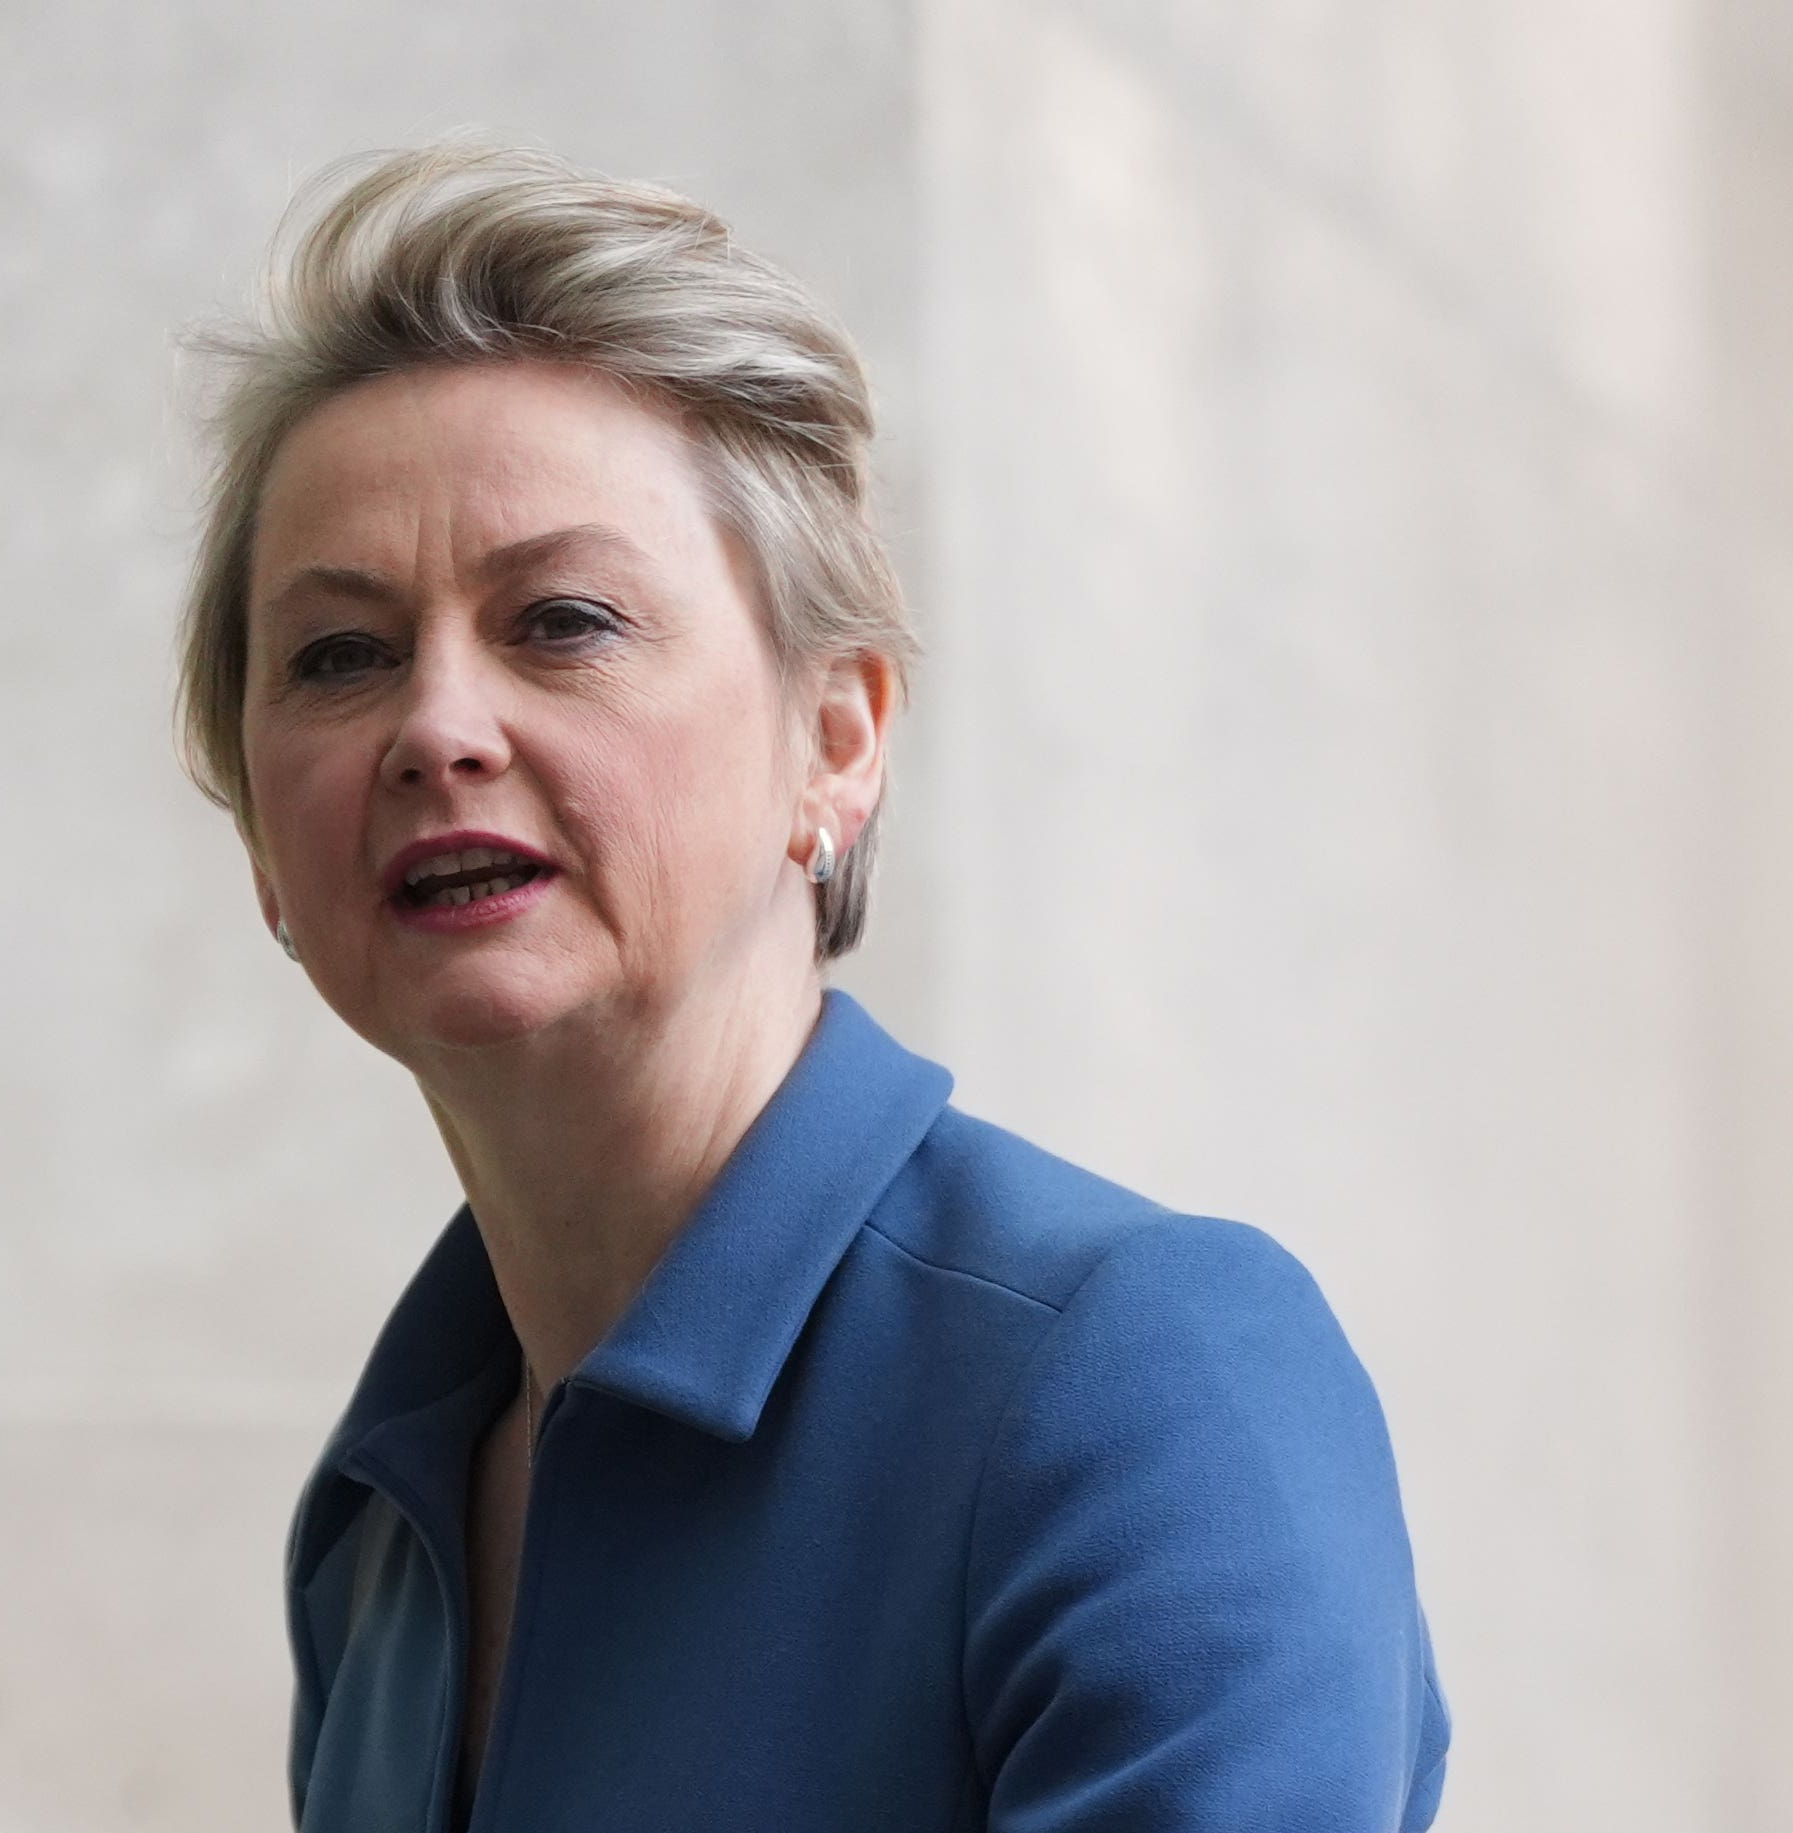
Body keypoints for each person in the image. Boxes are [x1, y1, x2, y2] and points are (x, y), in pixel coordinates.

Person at [172, 141, 1449, 1833]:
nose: (437, 728)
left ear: (833, 741)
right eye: (339, 654)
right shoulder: (382, 1510)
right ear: (262, 836)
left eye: (559, 619)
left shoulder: (1133, 1375)